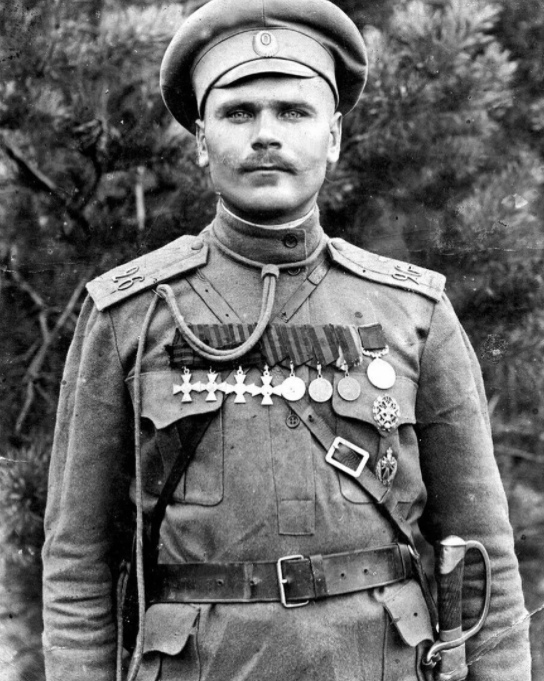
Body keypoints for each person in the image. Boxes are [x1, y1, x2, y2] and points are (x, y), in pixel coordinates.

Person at [42, 0, 532, 679]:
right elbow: (78, 560)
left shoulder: (413, 311)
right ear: (201, 141)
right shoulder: (130, 313)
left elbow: (483, 551)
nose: (266, 135)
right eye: (238, 113)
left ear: (333, 137)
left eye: (293, 111)